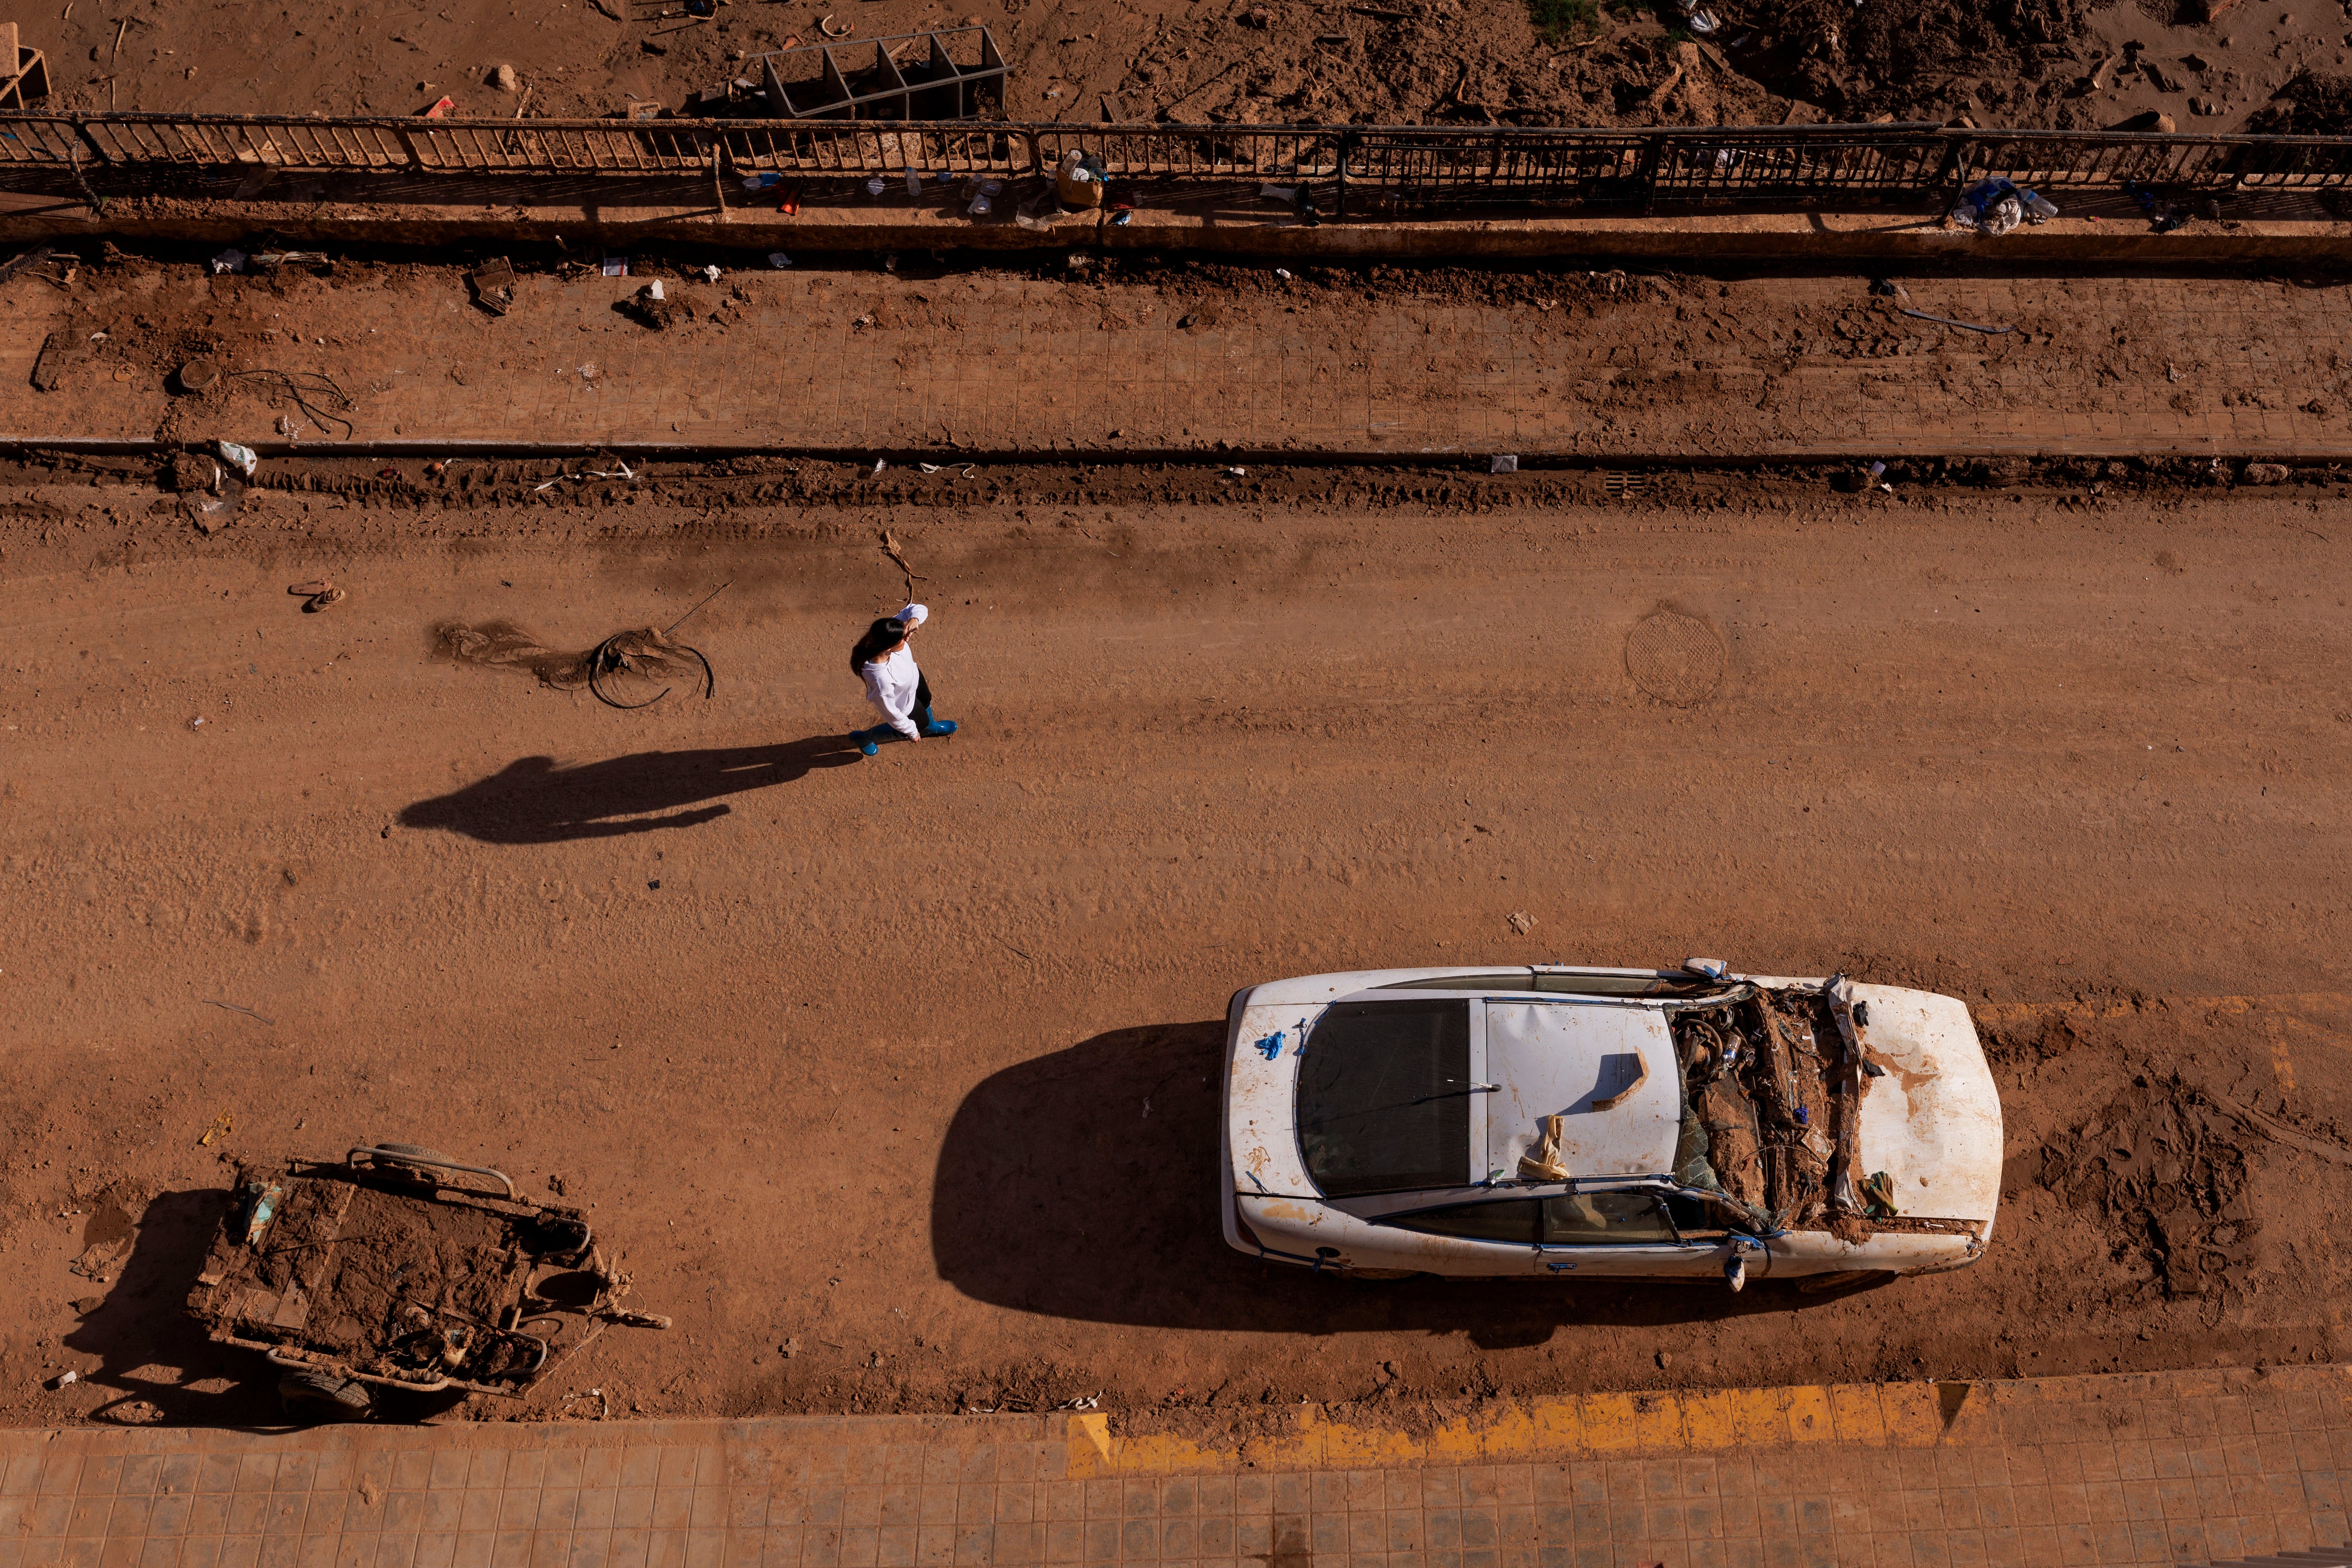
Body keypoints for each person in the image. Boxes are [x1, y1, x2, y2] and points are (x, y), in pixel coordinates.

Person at [850, 603, 957, 757]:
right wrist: (911, 731)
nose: (907, 638)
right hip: (905, 705)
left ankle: (930, 725)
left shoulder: (887, 633)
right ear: (888, 647)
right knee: (912, 726)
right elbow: (891, 714)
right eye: (902, 639)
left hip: (914, 679)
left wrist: (914, 619)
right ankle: (864, 738)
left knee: (927, 699)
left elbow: (918, 608)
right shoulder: (881, 680)